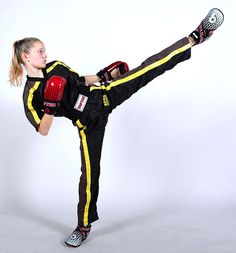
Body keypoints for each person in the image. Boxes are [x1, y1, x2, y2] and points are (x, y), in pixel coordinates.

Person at [9, 8, 224, 248]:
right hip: (88, 125)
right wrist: (49, 106)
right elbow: (43, 130)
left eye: (44, 50)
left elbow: (79, 80)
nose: (45, 54)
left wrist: (103, 75)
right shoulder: (31, 95)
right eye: (40, 51)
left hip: (105, 95)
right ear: (26, 57)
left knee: (148, 68)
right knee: (89, 177)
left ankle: (195, 37)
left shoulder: (57, 66)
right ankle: (83, 227)